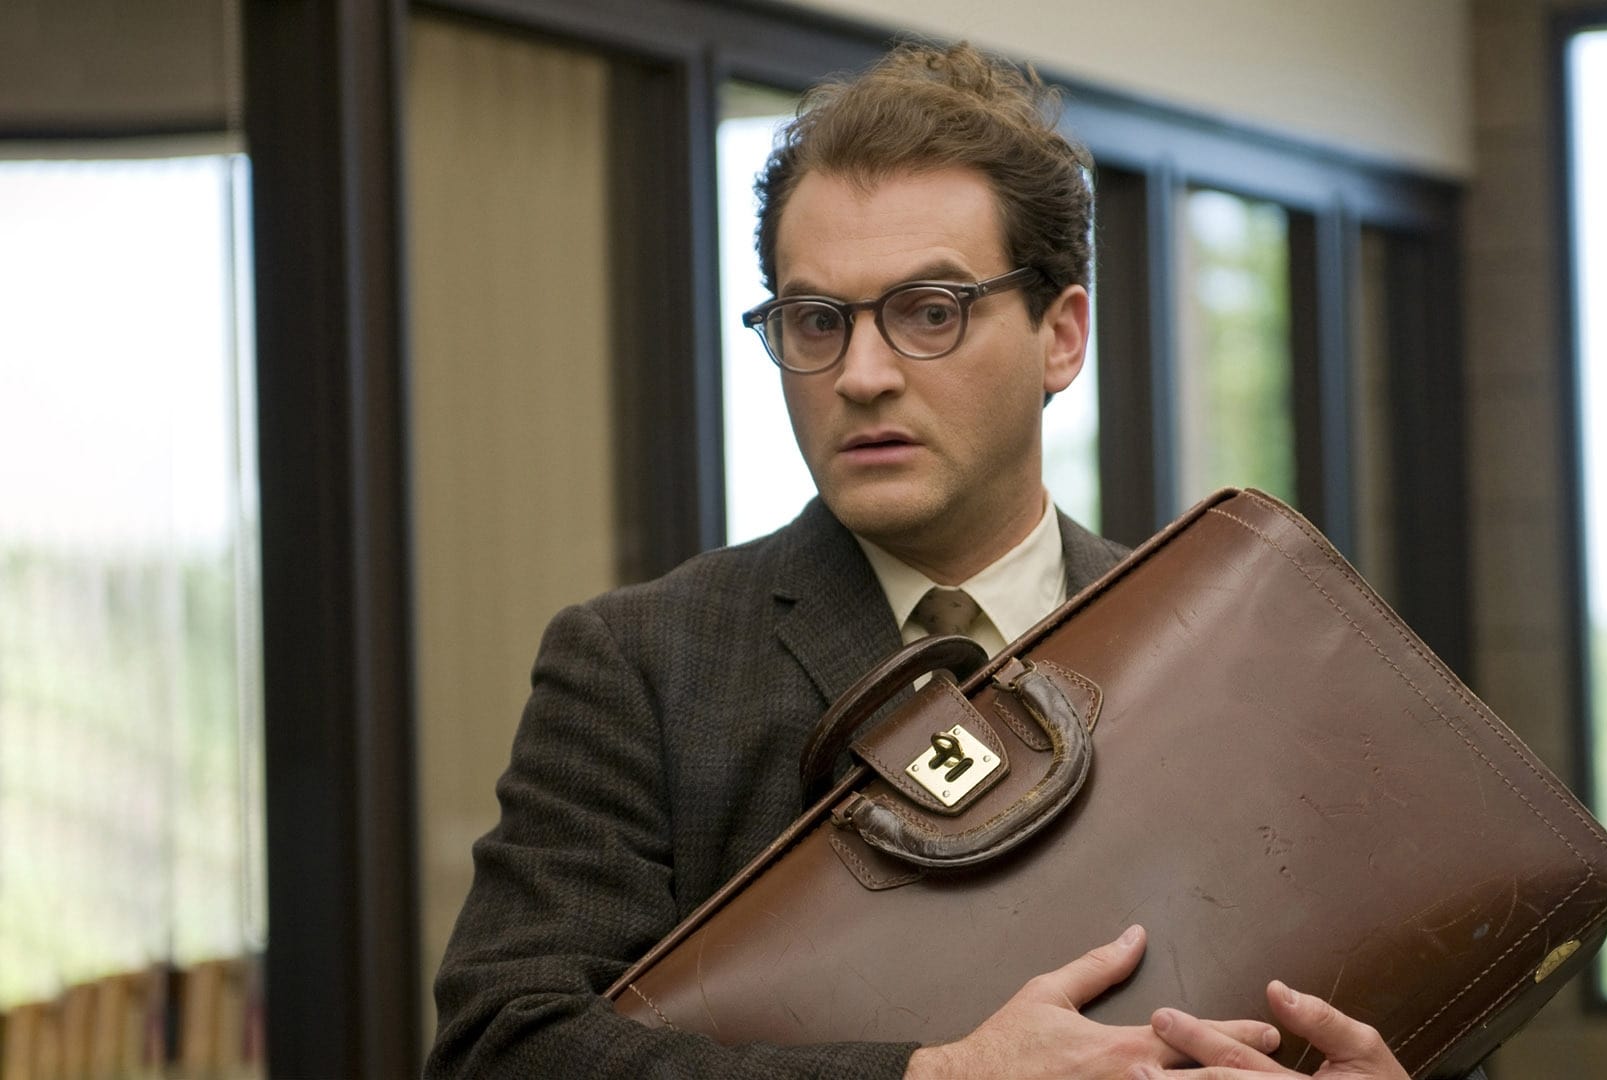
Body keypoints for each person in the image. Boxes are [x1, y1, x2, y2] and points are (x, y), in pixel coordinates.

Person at [428, 41, 1439, 1080]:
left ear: (1062, 335)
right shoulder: (643, 668)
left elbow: (1417, 987)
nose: (861, 374)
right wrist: (936, 1077)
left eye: (929, 311)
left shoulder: (1217, 643)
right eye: (815, 321)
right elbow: (501, 1049)